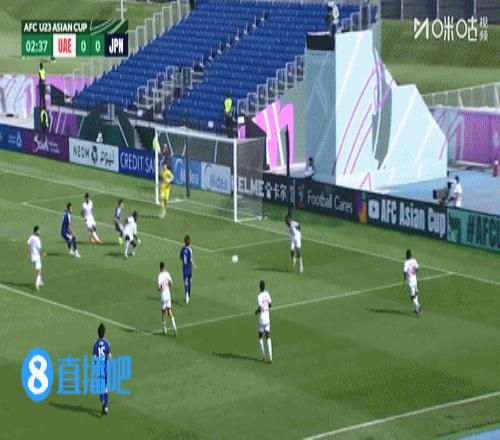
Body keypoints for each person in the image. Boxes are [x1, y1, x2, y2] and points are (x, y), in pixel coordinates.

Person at [93, 323, 111, 415]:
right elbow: (110, 356)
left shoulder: (95, 344)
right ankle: (106, 407)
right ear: (104, 333)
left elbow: (95, 358)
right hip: (106, 368)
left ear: (98, 333)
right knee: (106, 388)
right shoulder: (107, 343)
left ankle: (104, 402)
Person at [255, 280, 272, 364]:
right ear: (264, 286)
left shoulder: (259, 296)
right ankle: (270, 357)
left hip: (262, 318)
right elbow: (270, 304)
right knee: (268, 336)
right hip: (267, 317)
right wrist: (266, 306)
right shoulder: (267, 293)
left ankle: (263, 356)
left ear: (259, 287)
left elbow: (259, 307)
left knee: (260, 336)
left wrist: (256, 312)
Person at [158, 261, 177, 336]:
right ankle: (174, 326)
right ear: (164, 267)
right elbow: (171, 282)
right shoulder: (167, 273)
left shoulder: (159, 276)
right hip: (168, 294)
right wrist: (168, 288)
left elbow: (160, 287)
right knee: (169, 311)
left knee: (163, 313)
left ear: (160, 267)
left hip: (163, 295)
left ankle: (164, 329)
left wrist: (159, 289)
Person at [403, 249, 422, 317]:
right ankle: (417, 310)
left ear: (407, 255)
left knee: (412, 297)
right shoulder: (414, 260)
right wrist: (414, 272)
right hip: (415, 281)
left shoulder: (406, 262)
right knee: (415, 295)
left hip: (410, 282)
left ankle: (419, 306)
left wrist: (404, 278)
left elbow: (405, 272)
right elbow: (418, 268)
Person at [180, 235, 197, 304]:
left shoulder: (182, 249)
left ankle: (187, 294)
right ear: (189, 242)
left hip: (184, 268)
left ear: (184, 242)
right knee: (189, 282)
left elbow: (181, 258)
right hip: (189, 268)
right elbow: (191, 259)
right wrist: (194, 265)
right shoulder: (190, 250)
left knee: (186, 282)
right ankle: (188, 296)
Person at [27, 226, 43, 290]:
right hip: (37, 256)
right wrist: (42, 253)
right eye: (38, 231)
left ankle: (40, 281)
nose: (39, 232)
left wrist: (29, 253)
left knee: (36, 270)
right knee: (39, 270)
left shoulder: (31, 237)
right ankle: (37, 284)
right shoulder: (37, 239)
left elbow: (28, 244)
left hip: (32, 256)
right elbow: (39, 248)